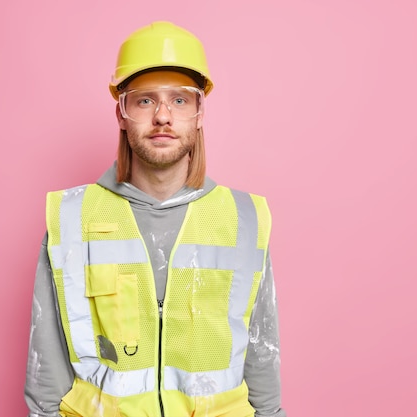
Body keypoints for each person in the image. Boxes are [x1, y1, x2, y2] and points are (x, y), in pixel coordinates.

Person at [25, 21, 286, 417]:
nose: (163, 116)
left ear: (199, 114)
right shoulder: (73, 218)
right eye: (145, 100)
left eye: (180, 100)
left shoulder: (244, 219)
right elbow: (47, 371)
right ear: (122, 114)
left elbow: (262, 363)